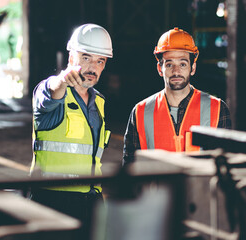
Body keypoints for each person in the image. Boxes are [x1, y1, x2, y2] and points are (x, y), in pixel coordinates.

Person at [30, 23, 113, 239]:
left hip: (92, 201)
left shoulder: (100, 103)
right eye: (86, 57)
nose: (92, 67)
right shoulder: (50, 91)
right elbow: (51, 93)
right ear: (70, 58)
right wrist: (62, 81)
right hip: (52, 202)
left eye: (100, 61)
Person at [123, 27, 231, 165]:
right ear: (159, 69)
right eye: (169, 64)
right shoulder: (140, 112)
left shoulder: (217, 109)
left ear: (193, 68)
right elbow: (129, 167)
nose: (176, 71)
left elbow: (225, 165)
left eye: (182, 64)